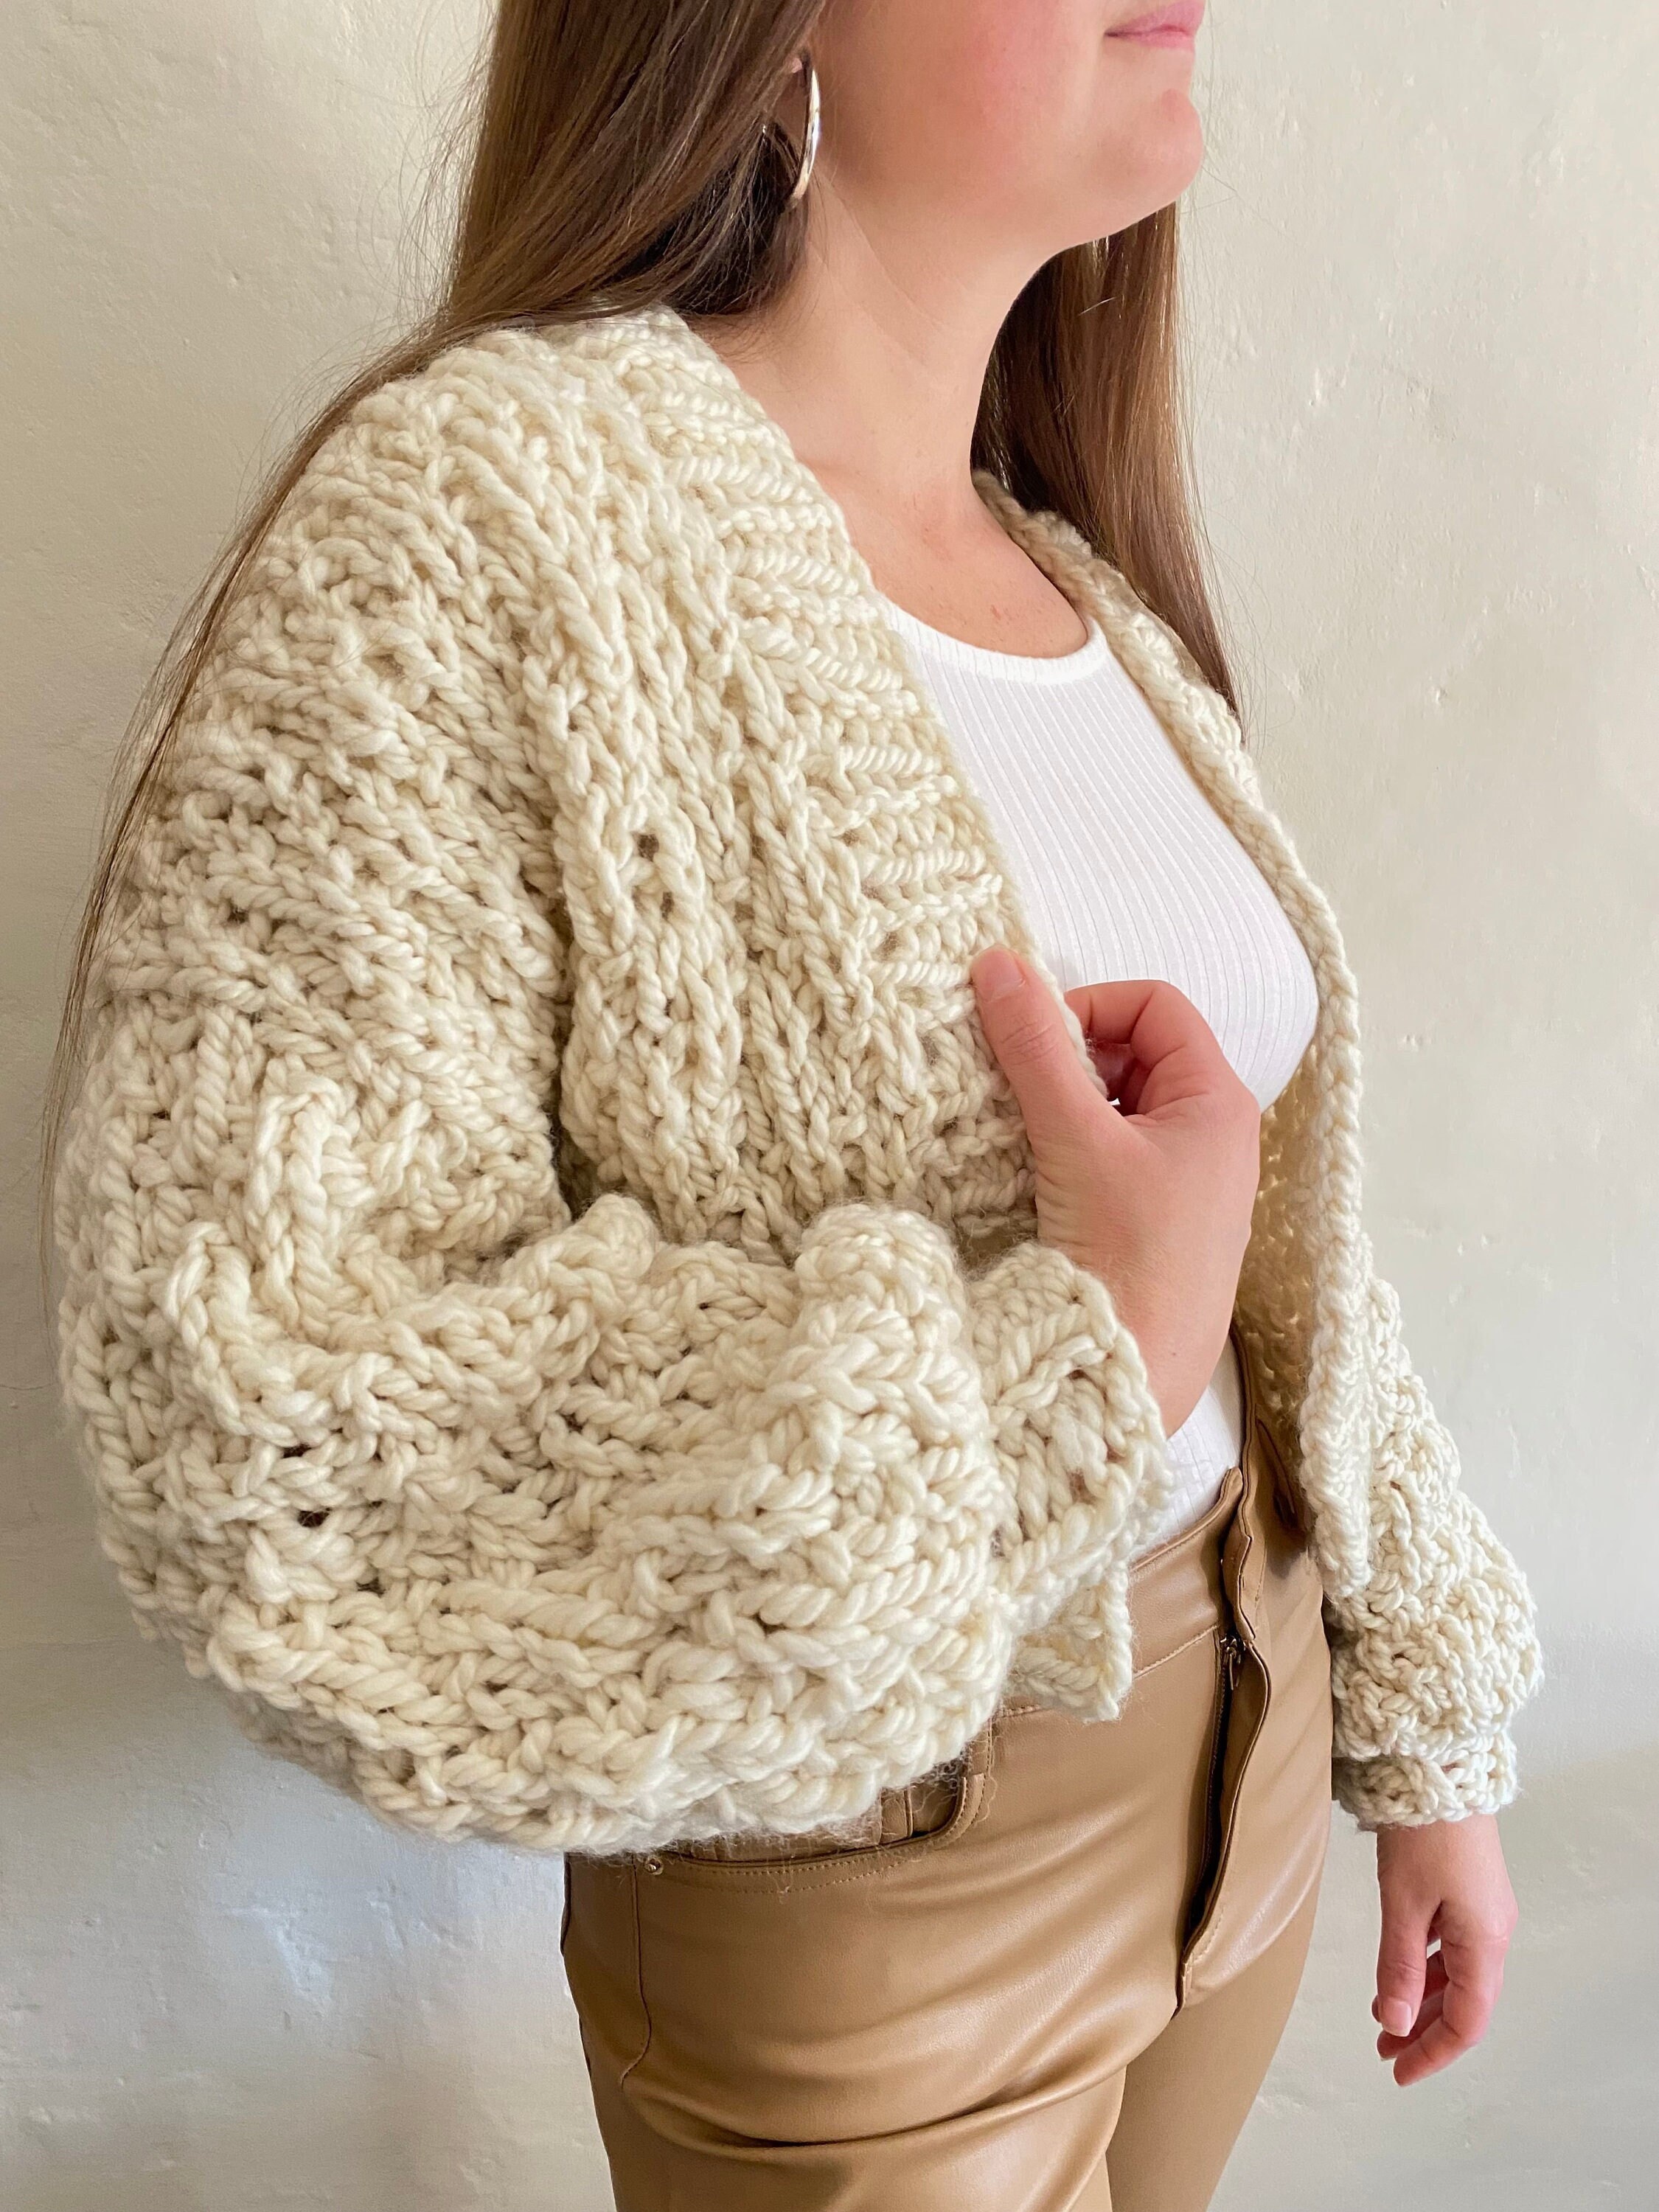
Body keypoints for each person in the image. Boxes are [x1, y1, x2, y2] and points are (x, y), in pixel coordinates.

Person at [48, 4, 1542, 2206]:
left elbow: (1258, 1241)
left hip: (1253, 1720)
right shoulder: (486, 516)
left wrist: (1419, 1713)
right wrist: (1071, 1369)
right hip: (890, 1864)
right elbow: (268, 1407)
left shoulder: (1068, 577)